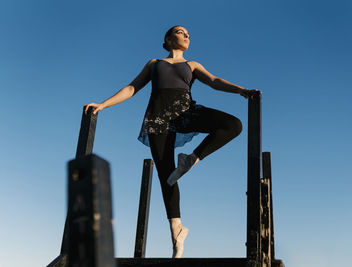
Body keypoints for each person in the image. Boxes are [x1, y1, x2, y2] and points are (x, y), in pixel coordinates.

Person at [84, 25, 260, 258]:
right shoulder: (154, 63)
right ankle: (176, 231)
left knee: (233, 125)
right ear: (167, 39)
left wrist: (241, 90)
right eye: (180, 31)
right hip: (158, 118)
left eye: (188, 33)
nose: (186, 35)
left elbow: (215, 80)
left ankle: (192, 158)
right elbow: (131, 87)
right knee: (167, 174)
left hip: (184, 111)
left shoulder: (193, 65)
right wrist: (103, 105)